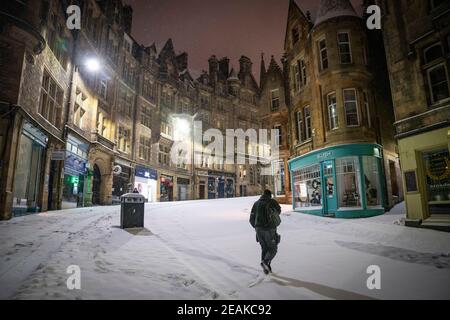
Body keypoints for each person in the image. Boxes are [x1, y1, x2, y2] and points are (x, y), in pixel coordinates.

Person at [249, 189, 281, 274]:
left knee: (264, 248)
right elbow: (279, 211)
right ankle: (266, 262)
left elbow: (251, 219)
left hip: (258, 230)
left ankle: (266, 269)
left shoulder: (256, 203)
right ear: (270, 195)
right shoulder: (272, 202)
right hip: (269, 229)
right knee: (273, 248)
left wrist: (256, 227)